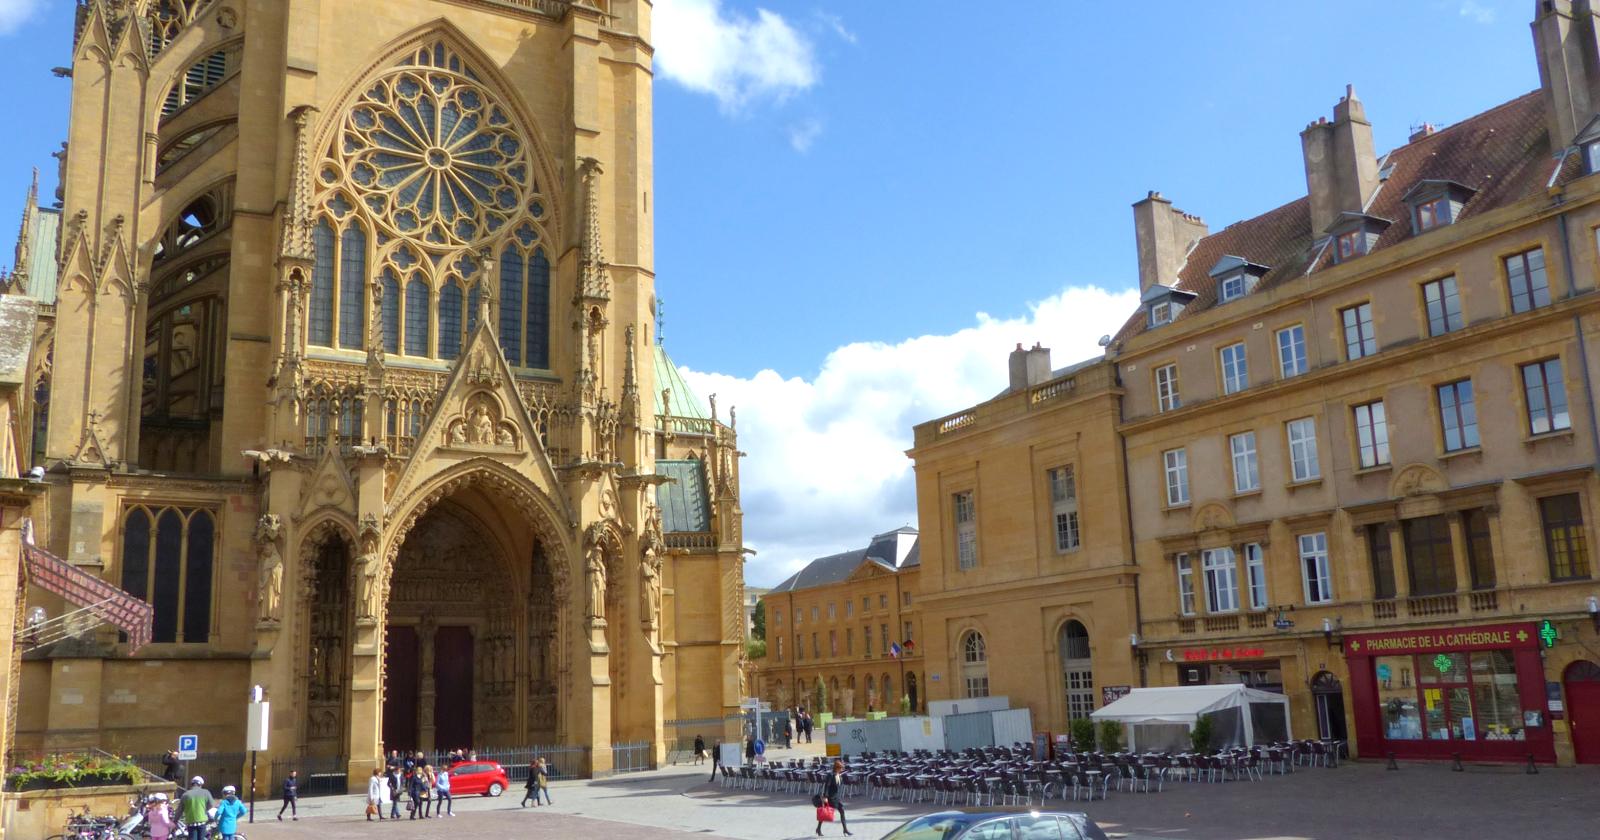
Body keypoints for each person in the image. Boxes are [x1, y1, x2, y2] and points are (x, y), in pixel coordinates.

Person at [816, 760, 850, 836]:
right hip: (830, 798)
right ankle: (818, 829)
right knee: (824, 813)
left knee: (842, 811)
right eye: (841, 768)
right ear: (837, 768)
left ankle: (845, 830)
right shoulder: (830, 775)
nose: (842, 770)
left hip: (836, 797)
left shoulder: (838, 775)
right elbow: (827, 786)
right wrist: (825, 797)